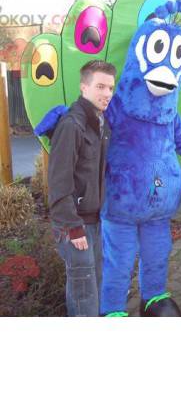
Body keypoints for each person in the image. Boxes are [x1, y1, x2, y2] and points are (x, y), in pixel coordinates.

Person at [47, 60, 116, 316]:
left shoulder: (100, 123)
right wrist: (74, 228)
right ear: (84, 86)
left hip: (94, 222)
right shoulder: (72, 125)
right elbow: (58, 184)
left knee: (93, 286)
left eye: (110, 87)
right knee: (83, 295)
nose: (107, 93)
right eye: (100, 86)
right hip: (74, 226)